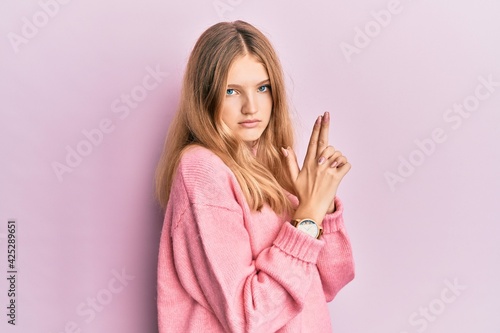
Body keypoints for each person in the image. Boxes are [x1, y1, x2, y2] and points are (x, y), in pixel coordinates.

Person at [155, 20, 354, 333]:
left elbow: (329, 282)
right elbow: (250, 318)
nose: (251, 107)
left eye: (263, 88)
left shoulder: (270, 164)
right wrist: (308, 219)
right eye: (232, 91)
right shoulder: (202, 170)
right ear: (205, 97)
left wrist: (317, 204)